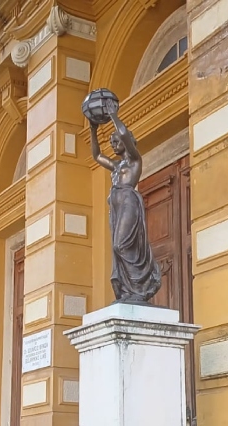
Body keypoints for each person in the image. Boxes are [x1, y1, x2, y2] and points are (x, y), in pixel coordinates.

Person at [89, 111, 161, 303]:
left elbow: (122, 132)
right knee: (117, 249)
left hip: (128, 200)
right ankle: (128, 290)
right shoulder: (116, 166)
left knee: (120, 245)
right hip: (116, 206)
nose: (113, 143)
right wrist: (92, 128)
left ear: (127, 140)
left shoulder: (135, 161)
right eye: (111, 141)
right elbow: (96, 155)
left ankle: (140, 285)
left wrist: (112, 114)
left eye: (116, 140)